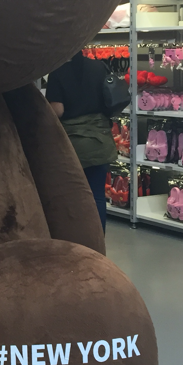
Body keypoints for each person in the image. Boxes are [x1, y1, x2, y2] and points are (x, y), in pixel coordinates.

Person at [46, 50, 117, 231]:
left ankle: (77, 239)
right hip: (101, 140)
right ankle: (98, 241)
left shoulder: (57, 72)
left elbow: (58, 110)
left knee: (72, 196)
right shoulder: (99, 67)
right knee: (97, 196)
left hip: (73, 145)